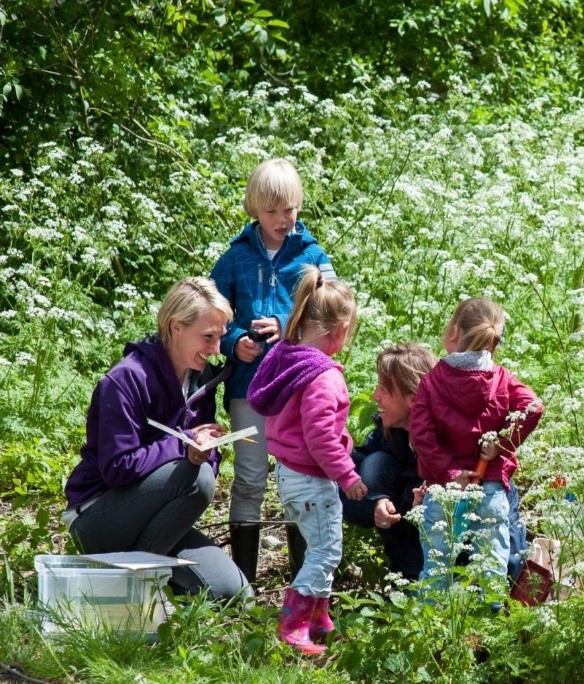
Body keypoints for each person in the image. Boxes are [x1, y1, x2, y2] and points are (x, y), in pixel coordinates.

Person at [63, 277, 251, 599]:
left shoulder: (201, 381)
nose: (216, 349)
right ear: (176, 327)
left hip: (156, 517)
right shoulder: (126, 379)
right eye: (208, 337)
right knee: (199, 480)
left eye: (220, 338)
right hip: (98, 516)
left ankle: (134, 574)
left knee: (235, 593)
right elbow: (117, 468)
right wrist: (181, 445)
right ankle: (132, 588)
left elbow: (205, 456)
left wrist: (205, 452)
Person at [211, 158, 337, 583]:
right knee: (249, 477)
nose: (283, 220)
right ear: (253, 210)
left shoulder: (313, 257)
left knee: (298, 477)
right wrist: (233, 343)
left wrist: (286, 326)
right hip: (247, 386)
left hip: (298, 386)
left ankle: (303, 577)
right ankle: (242, 582)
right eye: (272, 211)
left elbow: (333, 313)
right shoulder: (233, 259)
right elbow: (211, 316)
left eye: (290, 209)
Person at [247, 266, 364, 655]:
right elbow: (319, 436)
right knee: (327, 550)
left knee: (320, 544)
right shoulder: (324, 377)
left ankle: (319, 616)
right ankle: (293, 623)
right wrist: (348, 476)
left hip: (287, 474)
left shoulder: (289, 357)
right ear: (340, 332)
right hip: (312, 479)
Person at [341, 343, 531, 583]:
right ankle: (414, 576)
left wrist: (443, 499)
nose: (375, 396)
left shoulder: (465, 441)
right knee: (374, 464)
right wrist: (375, 503)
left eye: (384, 389)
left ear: (412, 399)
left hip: (463, 562)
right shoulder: (390, 435)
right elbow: (346, 481)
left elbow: (499, 521)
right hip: (415, 559)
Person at [410, 297, 543, 594]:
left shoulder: (431, 382)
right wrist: (503, 443)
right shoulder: (502, 378)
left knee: (438, 565)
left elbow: (421, 436)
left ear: (453, 333)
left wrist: (450, 472)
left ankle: (431, 627)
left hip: (446, 490)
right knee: (491, 563)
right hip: (491, 487)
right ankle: (490, 623)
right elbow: (534, 407)